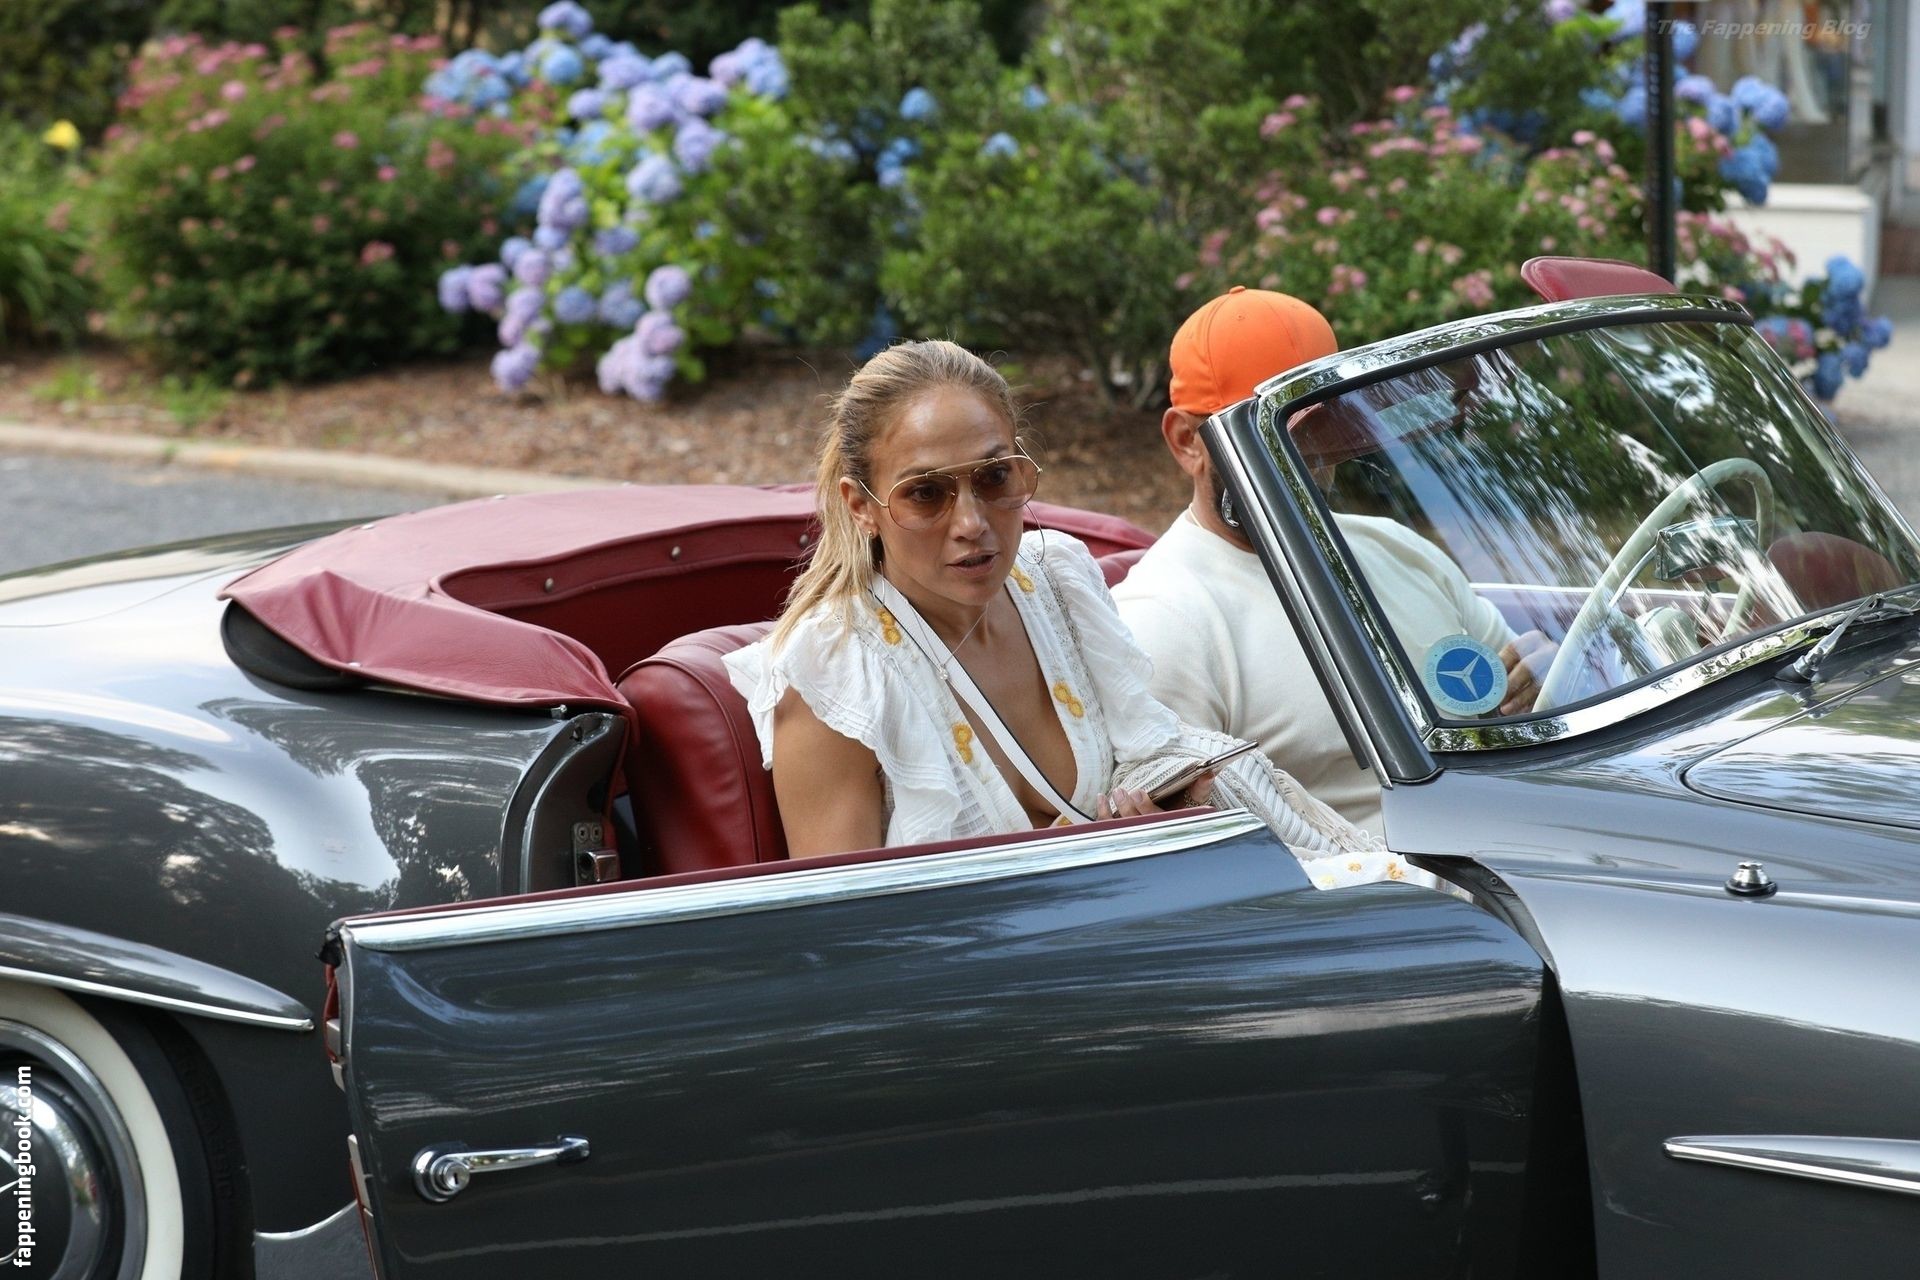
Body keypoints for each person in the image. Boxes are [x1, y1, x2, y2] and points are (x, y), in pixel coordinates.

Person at [723, 339, 1428, 891]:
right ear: (860, 505)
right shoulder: (833, 680)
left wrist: (1165, 815)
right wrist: (1090, 861)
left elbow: (1151, 749)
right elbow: (849, 938)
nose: (971, 523)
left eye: (995, 478)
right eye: (926, 494)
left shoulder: (1055, 580)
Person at [1112, 288, 1554, 838]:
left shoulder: (1396, 547)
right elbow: (1204, 844)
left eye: (1325, 430)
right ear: (1187, 442)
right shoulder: (1161, 621)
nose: (1312, 462)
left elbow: (1516, 691)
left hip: (1529, 843)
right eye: (1274, 437)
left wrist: (1537, 680)